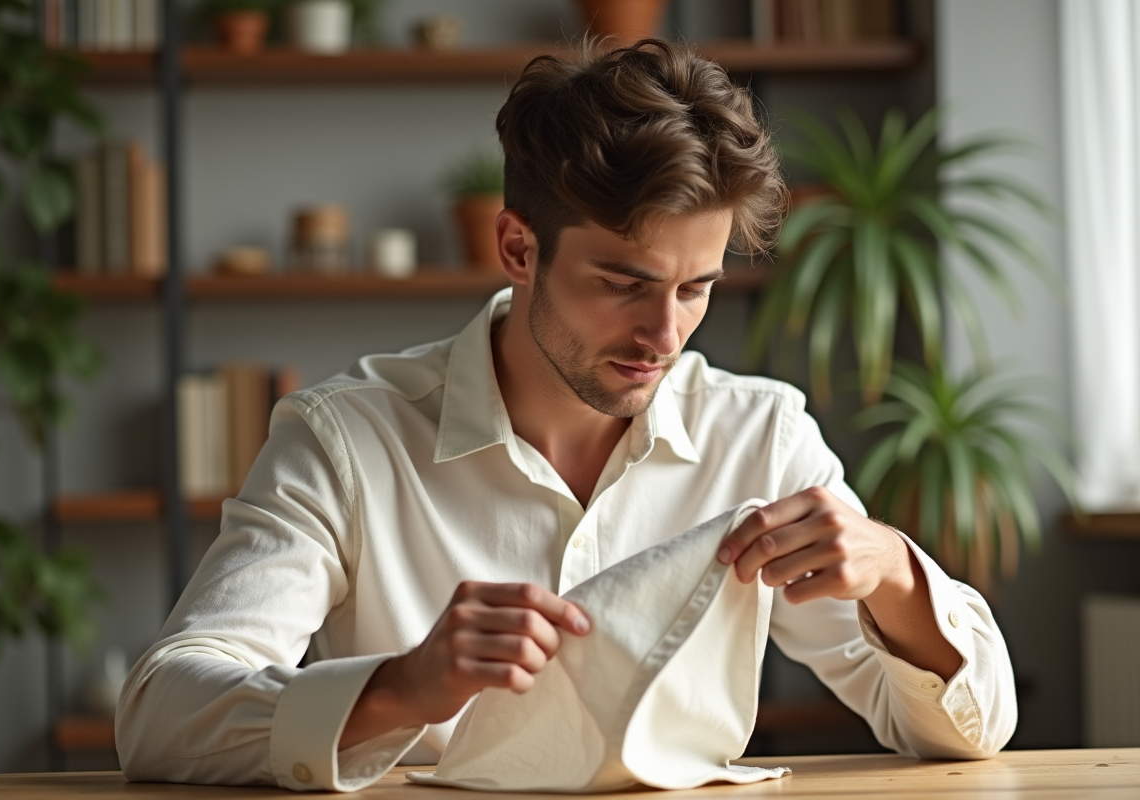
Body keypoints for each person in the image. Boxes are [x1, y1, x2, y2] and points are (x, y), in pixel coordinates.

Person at [116, 39, 1016, 792]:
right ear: (519, 247)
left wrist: (895, 575)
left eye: (695, 289)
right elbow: (160, 711)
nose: (664, 335)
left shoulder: (761, 438)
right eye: (623, 283)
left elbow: (969, 732)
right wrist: (400, 688)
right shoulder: (345, 440)